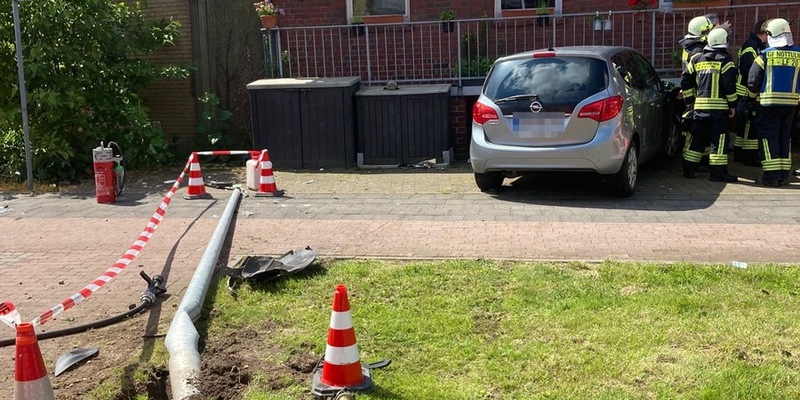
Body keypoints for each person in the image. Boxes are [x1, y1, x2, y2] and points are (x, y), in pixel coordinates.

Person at [681, 27, 740, 182]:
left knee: (698, 138)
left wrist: (690, 101)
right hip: (718, 110)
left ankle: (689, 169)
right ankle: (718, 173)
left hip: (699, 108)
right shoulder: (726, 61)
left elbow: (686, 80)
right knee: (719, 141)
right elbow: (729, 86)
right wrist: (733, 105)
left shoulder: (697, 59)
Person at [747, 18, 800, 186]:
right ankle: (783, 175)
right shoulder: (798, 55)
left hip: (767, 106)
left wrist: (750, 98)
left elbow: (753, 80)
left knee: (768, 139)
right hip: (791, 106)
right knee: (785, 139)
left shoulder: (764, 56)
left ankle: (771, 177)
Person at [734, 19, 769, 166]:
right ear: (765, 32)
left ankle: (741, 154)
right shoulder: (752, 46)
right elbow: (748, 70)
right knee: (749, 124)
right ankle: (749, 156)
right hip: (746, 92)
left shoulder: (755, 45)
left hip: (746, 91)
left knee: (744, 126)